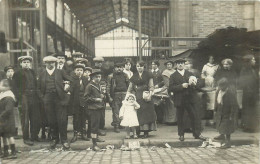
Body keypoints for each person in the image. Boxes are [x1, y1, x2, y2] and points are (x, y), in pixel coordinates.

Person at [37, 56, 72, 149]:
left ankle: (64, 140)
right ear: (45, 63)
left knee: (62, 120)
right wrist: (43, 98)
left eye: (52, 62)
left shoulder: (60, 72)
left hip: (59, 99)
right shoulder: (42, 74)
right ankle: (54, 139)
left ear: (55, 63)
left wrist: (67, 88)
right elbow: (38, 88)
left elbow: (70, 80)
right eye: (48, 62)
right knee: (51, 120)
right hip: (48, 99)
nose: (50, 64)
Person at [168, 58, 206, 142]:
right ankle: (181, 134)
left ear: (184, 64)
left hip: (190, 99)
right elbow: (170, 88)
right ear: (176, 65)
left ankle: (197, 134)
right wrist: (181, 86)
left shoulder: (190, 74)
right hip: (180, 99)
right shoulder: (173, 76)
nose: (180, 65)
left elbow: (198, 85)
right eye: (178, 63)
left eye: (182, 63)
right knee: (180, 118)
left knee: (194, 116)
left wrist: (194, 84)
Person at [12, 56, 41, 146]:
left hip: (33, 97)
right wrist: (19, 97)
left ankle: (34, 136)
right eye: (24, 62)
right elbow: (14, 87)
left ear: (30, 63)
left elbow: (36, 85)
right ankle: (26, 138)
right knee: (25, 118)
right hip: (24, 96)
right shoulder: (17, 73)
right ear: (21, 63)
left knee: (35, 117)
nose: (26, 64)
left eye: (28, 62)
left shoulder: (32, 72)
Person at [127, 61, 157, 138]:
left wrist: (150, 95)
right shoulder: (134, 76)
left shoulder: (148, 74)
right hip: (138, 96)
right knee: (138, 113)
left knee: (146, 114)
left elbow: (151, 86)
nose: (139, 68)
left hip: (146, 95)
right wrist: (128, 96)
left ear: (144, 67)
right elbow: (130, 88)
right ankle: (138, 131)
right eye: (137, 66)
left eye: (141, 66)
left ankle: (146, 132)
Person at [84, 69, 106, 151]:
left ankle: (96, 138)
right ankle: (94, 144)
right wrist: (96, 99)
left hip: (99, 108)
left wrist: (103, 96)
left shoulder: (99, 85)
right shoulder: (90, 86)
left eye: (100, 76)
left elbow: (101, 95)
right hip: (93, 109)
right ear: (92, 77)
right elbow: (86, 98)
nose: (98, 78)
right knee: (94, 127)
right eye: (97, 77)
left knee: (98, 125)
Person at [215, 78, 238, 149]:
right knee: (220, 123)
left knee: (227, 127)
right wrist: (215, 109)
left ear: (226, 86)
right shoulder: (219, 91)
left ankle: (228, 142)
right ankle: (221, 135)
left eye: (222, 86)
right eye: (220, 86)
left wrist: (232, 115)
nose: (221, 88)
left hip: (228, 112)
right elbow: (216, 100)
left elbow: (234, 105)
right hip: (220, 109)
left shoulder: (230, 93)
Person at [69, 64, 90, 142]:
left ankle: (83, 134)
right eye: (77, 70)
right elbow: (70, 90)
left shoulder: (85, 79)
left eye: (81, 70)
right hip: (75, 101)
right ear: (74, 71)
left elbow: (88, 90)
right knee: (76, 118)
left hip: (84, 101)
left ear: (83, 71)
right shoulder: (72, 79)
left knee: (83, 118)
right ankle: (75, 134)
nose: (79, 72)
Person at [107, 62, 129, 133]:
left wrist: (128, 95)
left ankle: (121, 124)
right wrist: (109, 96)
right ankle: (116, 125)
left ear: (123, 68)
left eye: (120, 67)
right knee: (116, 111)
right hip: (116, 94)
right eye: (117, 67)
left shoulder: (125, 75)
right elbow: (108, 87)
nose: (119, 69)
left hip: (124, 94)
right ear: (114, 68)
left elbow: (129, 85)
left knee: (123, 110)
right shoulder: (111, 76)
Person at [239, 54, 259, 132]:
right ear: (249, 61)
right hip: (248, 94)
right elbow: (242, 82)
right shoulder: (244, 70)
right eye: (253, 60)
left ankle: (251, 126)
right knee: (248, 111)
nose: (255, 61)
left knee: (252, 111)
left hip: (252, 94)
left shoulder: (252, 70)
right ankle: (248, 127)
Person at [0, 79, 17, 159]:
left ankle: (13, 152)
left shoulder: (9, 97)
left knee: (9, 136)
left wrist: (1, 115)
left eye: (1, 85)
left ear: (6, 87)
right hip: (3, 120)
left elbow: (8, 110)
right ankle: (6, 152)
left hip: (8, 120)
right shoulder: (2, 95)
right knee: (4, 135)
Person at [93, 57, 107, 134]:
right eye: (98, 62)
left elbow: (104, 80)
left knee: (102, 109)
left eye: (101, 62)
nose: (99, 64)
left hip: (102, 90)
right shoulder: (92, 70)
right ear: (95, 63)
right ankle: (97, 127)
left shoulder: (103, 71)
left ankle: (102, 125)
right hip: (95, 90)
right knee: (97, 110)